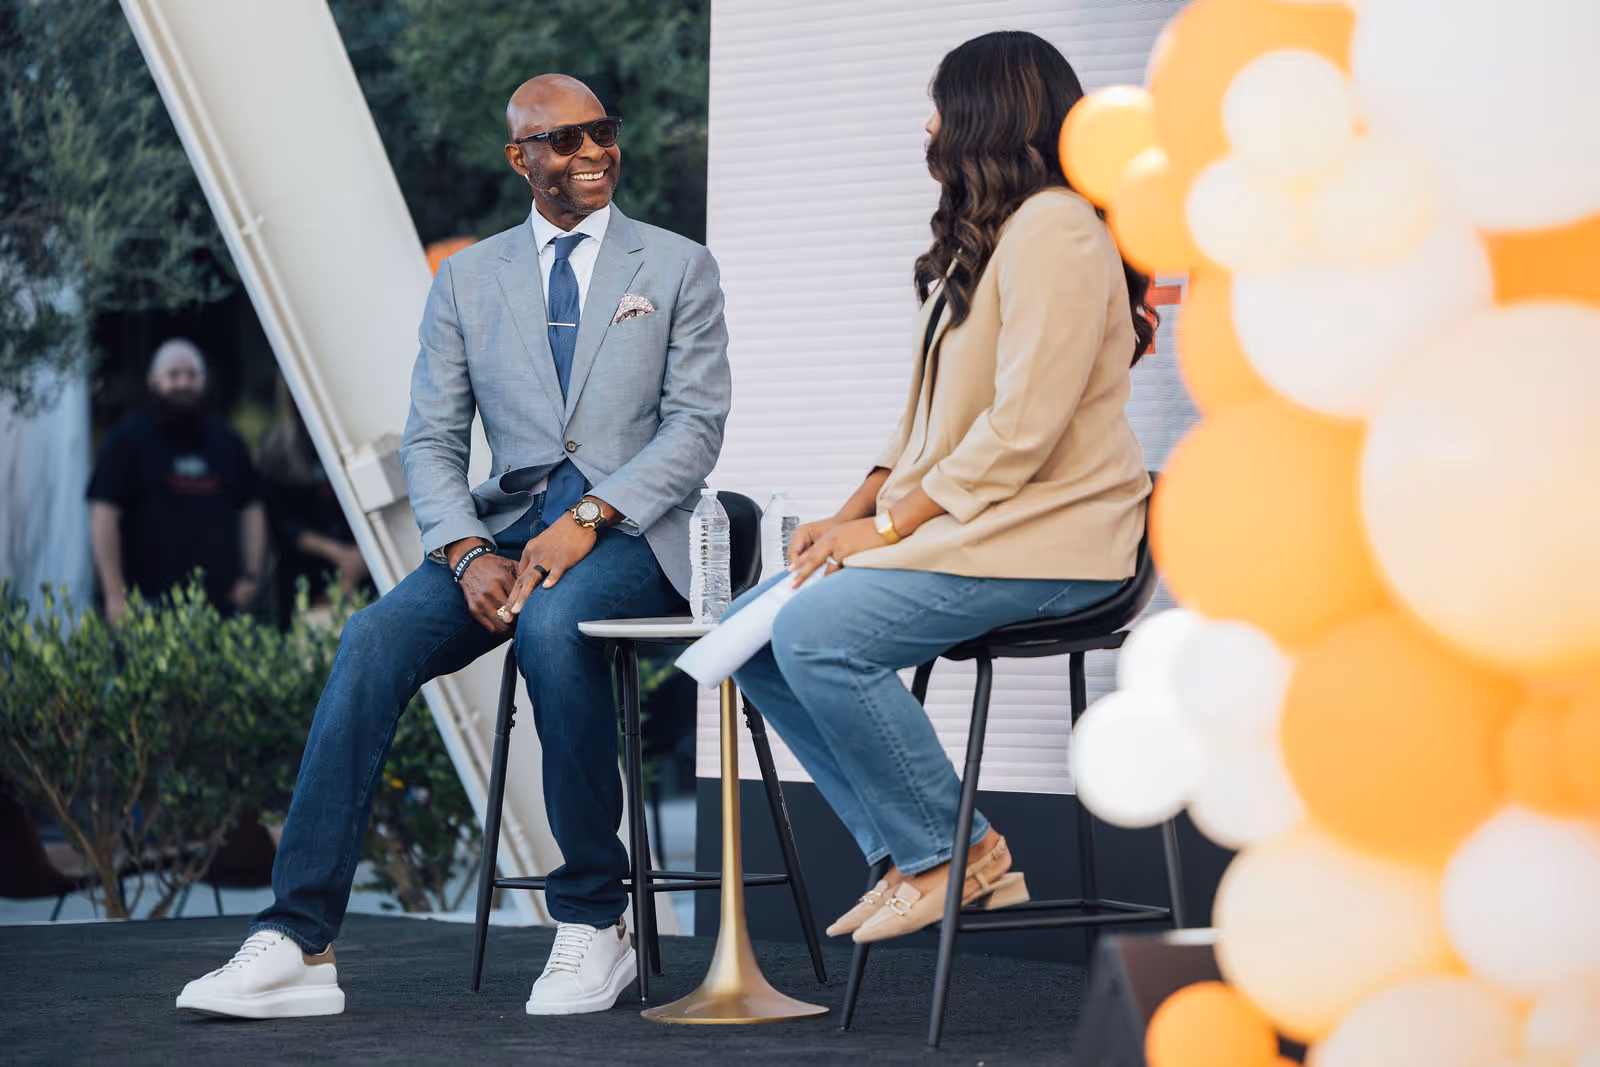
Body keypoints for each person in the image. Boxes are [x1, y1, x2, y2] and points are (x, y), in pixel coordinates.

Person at [175, 73, 730, 1019]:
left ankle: (597, 918)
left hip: (638, 533)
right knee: (372, 639)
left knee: (553, 623)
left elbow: (696, 427)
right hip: (503, 534)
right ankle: (298, 940)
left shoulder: (678, 265)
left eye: (604, 132)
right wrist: (468, 551)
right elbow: (431, 441)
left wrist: (589, 518)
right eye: (567, 140)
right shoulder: (467, 279)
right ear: (522, 158)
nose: (595, 152)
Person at [729, 31, 1158, 945]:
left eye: (941, 106)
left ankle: (951, 854)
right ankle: (910, 855)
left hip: (1056, 542)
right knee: (752, 633)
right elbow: (920, 428)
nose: (928, 126)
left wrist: (886, 529)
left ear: (988, 115)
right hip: (981, 529)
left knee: (815, 633)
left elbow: (1020, 429)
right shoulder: (990, 242)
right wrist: (844, 519)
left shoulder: (1058, 229)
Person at [87, 338, 267, 621]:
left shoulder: (228, 441)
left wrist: (251, 577)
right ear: (153, 381)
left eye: (192, 375)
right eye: (173, 375)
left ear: (205, 381)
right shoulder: (125, 441)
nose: (184, 383)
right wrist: (114, 595)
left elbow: (251, 508)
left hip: (221, 609)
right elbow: (103, 515)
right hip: (145, 609)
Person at [257, 380, 371, 628]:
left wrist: (361, 556)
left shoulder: (352, 435)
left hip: (365, 564)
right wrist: (341, 555)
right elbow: (281, 521)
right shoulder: (277, 448)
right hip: (306, 577)